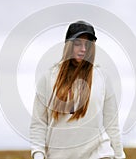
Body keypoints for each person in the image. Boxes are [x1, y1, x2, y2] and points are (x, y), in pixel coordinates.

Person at [29, 20, 126, 159]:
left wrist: (119, 155)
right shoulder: (48, 78)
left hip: (99, 154)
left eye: (88, 44)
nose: (83, 49)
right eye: (78, 44)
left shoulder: (102, 78)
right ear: (68, 45)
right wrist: (38, 154)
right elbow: (38, 123)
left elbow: (112, 123)